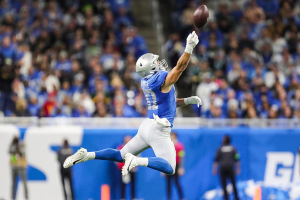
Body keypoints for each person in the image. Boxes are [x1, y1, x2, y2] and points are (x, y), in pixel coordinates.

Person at [63, 31, 201, 178]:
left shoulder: (146, 81)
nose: (159, 63)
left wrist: (187, 101)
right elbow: (179, 68)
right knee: (169, 166)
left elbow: (167, 102)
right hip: (159, 128)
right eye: (155, 63)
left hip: (147, 125)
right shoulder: (160, 79)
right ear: (151, 68)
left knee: (121, 154)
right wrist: (189, 48)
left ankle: (88, 155)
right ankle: (136, 161)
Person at [212, 135, 240, 200]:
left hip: (223, 168)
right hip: (230, 168)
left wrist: (214, 169)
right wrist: (238, 168)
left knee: (224, 186)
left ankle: (226, 198)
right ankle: (236, 198)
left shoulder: (220, 148)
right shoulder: (233, 148)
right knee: (233, 184)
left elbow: (216, 160)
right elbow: (237, 159)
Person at [165, 132, 185, 200]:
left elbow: (181, 157)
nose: (171, 137)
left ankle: (181, 198)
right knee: (168, 184)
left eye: (173, 136)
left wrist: (180, 167)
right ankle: (169, 198)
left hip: (176, 165)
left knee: (177, 182)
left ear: (176, 137)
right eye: (171, 136)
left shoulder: (179, 146)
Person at [116, 135, 136, 200]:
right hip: (124, 169)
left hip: (132, 169)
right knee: (123, 184)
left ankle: (133, 197)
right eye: (127, 140)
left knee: (133, 184)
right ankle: (122, 197)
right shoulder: (120, 148)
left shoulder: (135, 148)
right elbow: (117, 158)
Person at [9, 136, 28, 200]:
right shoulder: (12, 145)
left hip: (21, 166)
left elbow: (22, 152)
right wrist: (13, 144)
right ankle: (12, 197)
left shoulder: (21, 144)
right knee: (13, 183)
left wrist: (19, 146)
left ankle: (26, 197)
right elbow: (10, 151)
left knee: (24, 183)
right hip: (14, 166)